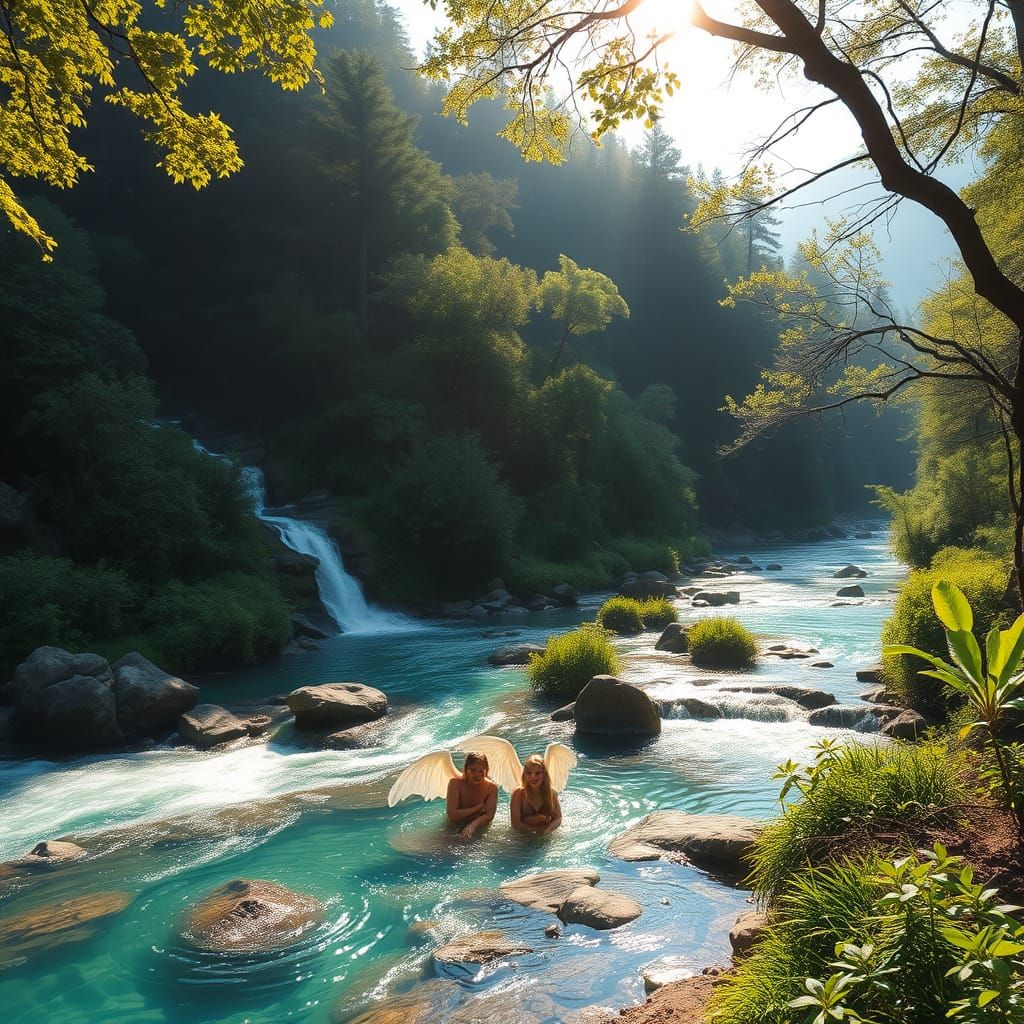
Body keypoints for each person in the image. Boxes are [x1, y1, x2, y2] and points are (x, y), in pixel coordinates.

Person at [445, 751, 498, 840]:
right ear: (466, 769)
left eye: (481, 771)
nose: (477, 775)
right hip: (455, 825)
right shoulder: (455, 784)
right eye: (473, 770)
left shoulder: (491, 788)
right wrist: (477, 808)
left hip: (480, 826)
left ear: (486, 771)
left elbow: (489, 816)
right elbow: (452, 815)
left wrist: (473, 825)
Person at [510, 754, 562, 835]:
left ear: (544, 774)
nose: (533, 777)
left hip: (544, 836)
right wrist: (535, 830)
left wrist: (547, 830)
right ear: (524, 774)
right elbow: (515, 824)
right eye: (529, 773)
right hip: (522, 837)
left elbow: (558, 818)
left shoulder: (551, 793)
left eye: (537, 773)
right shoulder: (518, 793)